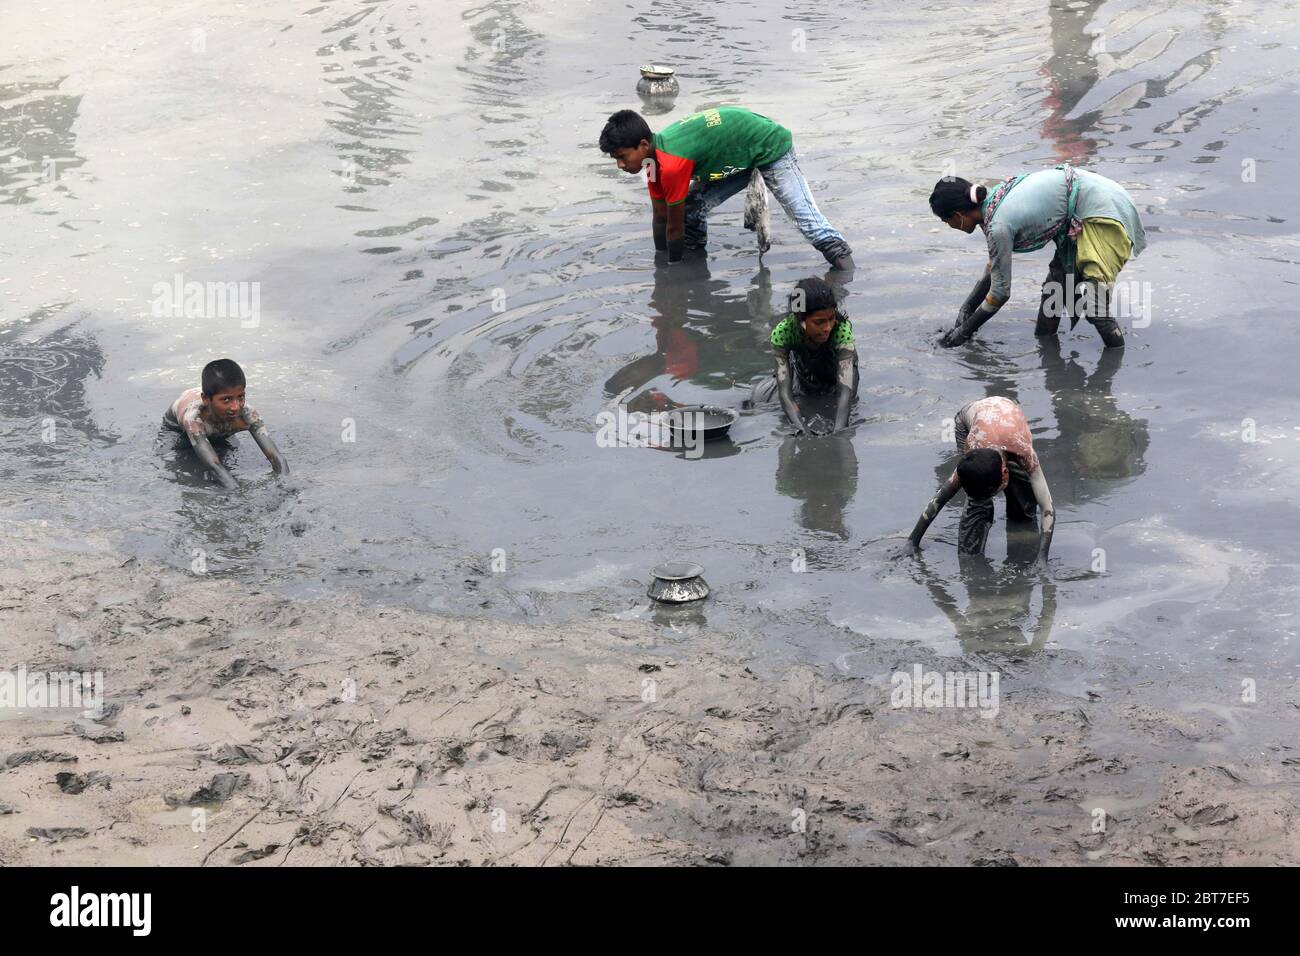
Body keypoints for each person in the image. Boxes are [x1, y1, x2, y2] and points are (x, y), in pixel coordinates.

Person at [598, 107, 854, 269]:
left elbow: (673, 227)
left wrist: (669, 273)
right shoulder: (653, 160)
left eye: (622, 157)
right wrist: (660, 258)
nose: (620, 165)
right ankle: (696, 256)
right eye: (615, 160)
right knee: (691, 205)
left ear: (643, 145)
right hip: (736, 156)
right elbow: (660, 215)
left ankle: (846, 270)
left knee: (806, 220)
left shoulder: (672, 164)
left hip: (769, 146)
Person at [929, 165, 1146, 349]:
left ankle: (1114, 364)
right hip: (1083, 207)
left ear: (957, 216)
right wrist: (965, 310)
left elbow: (1000, 293)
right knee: (1054, 291)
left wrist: (963, 333)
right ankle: (1048, 351)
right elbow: (995, 269)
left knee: (1094, 304)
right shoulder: (993, 205)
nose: (949, 226)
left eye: (945, 221)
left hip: (1103, 210)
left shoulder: (998, 225)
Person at [907, 396, 1054, 566]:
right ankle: (970, 555)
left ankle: (1022, 537)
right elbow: (940, 498)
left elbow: (1047, 507)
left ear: (1005, 473)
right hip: (969, 421)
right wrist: (912, 541)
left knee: (1023, 499)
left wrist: (1042, 558)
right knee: (977, 497)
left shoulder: (1025, 453)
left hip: (1007, 426)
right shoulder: (974, 453)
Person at [750, 277, 858, 435]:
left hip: (838, 376)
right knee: (763, 401)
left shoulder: (841, 333)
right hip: (804, 374)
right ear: (800, 320)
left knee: (845, 408)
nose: (827, 327)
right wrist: (802, 429)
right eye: (819, 322)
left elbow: (845, 393)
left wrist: (838, 433)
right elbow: (785, 394)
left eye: (831, 319)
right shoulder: (784, 333)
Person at [162, 359, 288, 489]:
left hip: (216, 425)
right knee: (175, 463)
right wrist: (241, 495)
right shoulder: (193, 418)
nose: (235, 407)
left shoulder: (247, 413)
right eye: (226, 399)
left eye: (241, 397)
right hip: (176, 430)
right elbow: (214, 466)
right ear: (206, 399)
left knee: (227, 451)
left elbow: (277, 457)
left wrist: (284, 487)